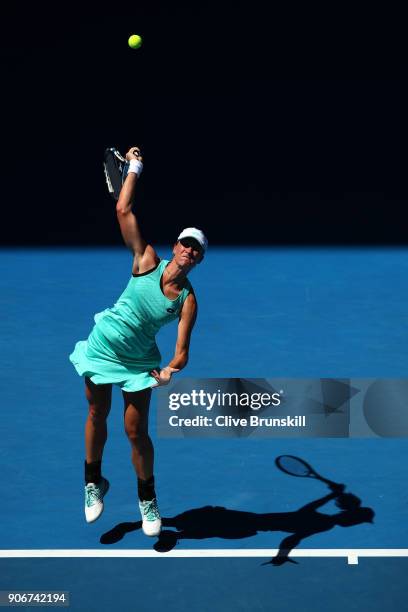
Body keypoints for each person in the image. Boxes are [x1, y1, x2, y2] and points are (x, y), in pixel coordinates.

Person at [69, 146, 207, 536]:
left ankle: (147, 499)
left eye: (195, 249)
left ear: (198, 260)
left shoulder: (188, 301)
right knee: (97, 414)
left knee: (136, 432)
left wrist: (168, 372)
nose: (187, 250)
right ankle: (93, 482)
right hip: (102, 348)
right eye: (184, 243)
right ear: (176, 246)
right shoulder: (146, 260)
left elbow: (181, 354)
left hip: (138, 363)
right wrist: (135, 168)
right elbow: (123, 211)